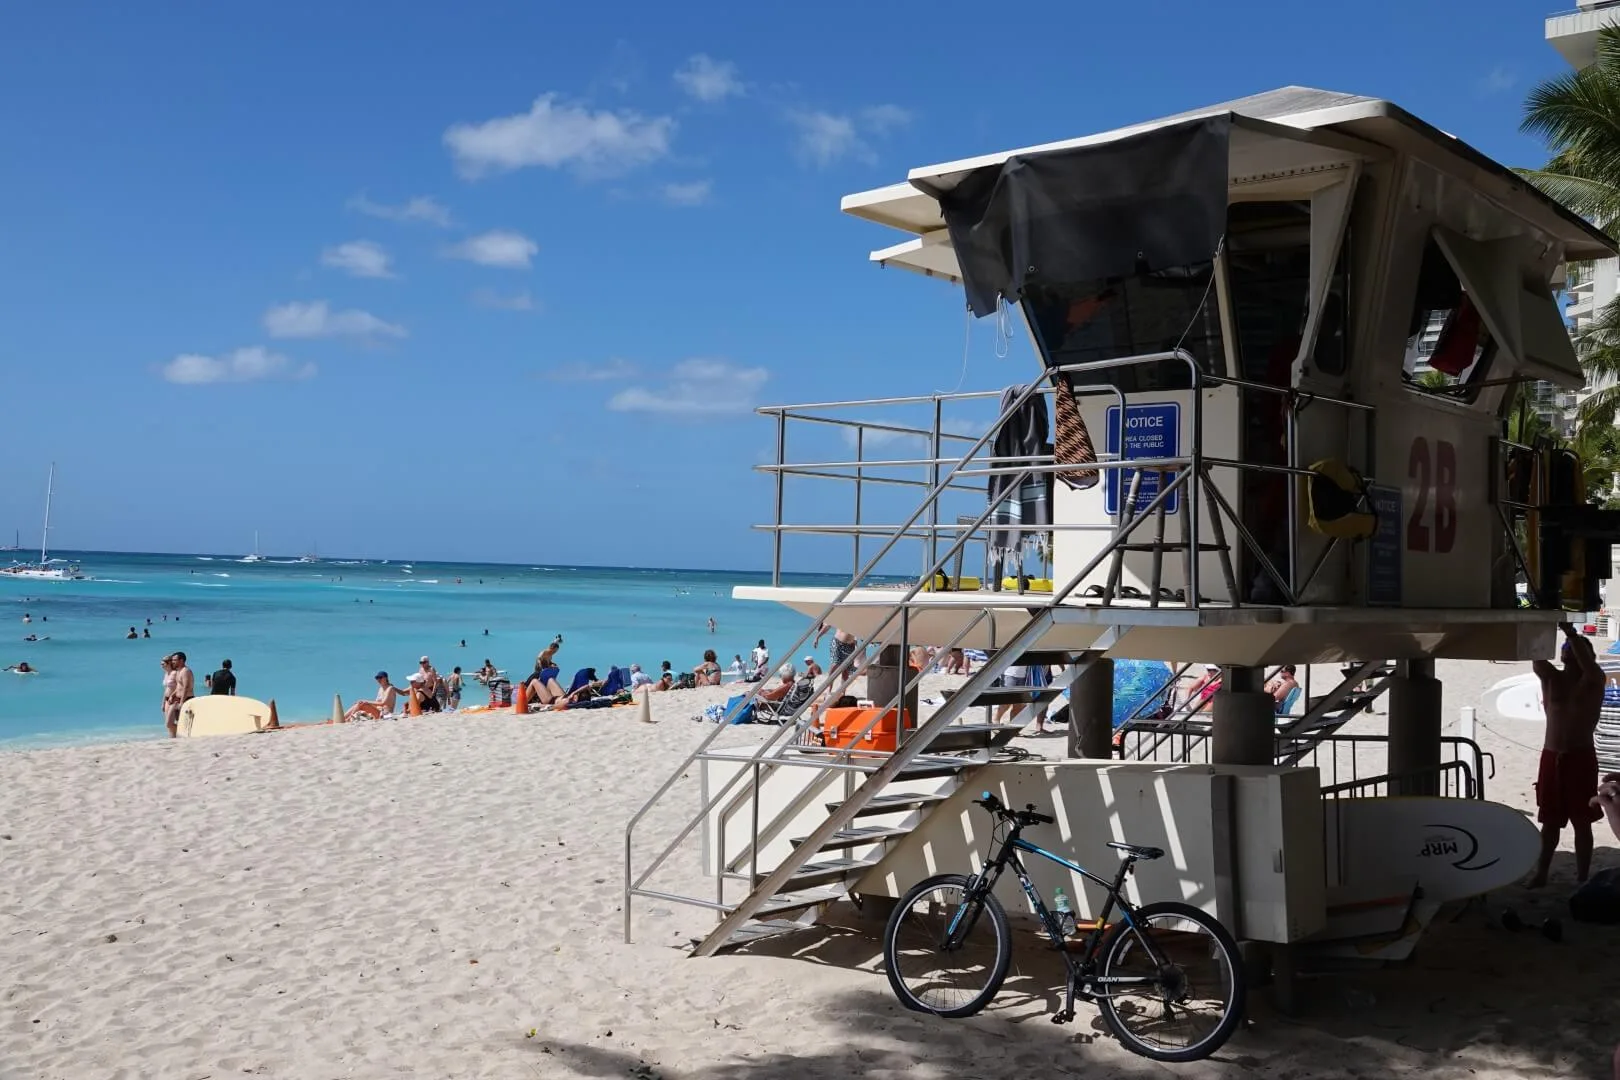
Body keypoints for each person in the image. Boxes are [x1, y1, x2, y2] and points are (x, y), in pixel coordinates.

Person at [1530, 623, 1605, 888]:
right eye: (1565, 647)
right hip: (1551, 757)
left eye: (1575, 648)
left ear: (1588, 655)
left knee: (1581, 821)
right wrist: (1540, 625)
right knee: (1549, 820)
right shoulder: (1551, 677)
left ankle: (1583, 876)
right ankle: (1541, 873)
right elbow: (1536, 655)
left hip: (1580, 758)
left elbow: (1589, 666)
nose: (1568, 649)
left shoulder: (1593, 680)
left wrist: (1573, 634)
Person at [344, 671, 408, 721]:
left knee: (362, 703)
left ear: (385, 678)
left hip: (384, 714)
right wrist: (364, 702)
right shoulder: (380, 688)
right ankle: (343, 717)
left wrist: (366, 701)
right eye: (377, 678)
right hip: (377, 712)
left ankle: (348, 719)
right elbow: (376, 703)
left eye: (380, 678)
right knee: (359, 704)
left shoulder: (390, 688)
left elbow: (383, 703)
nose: (378, 680)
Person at [166, 652, 194, 738]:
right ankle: (177, 736)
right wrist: (172, 695)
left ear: (181, 660)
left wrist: (182, 702)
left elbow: (186, 687)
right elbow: (179, 686)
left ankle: (181, 735)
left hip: (186, 698)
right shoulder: (179, 671)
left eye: (175, 660)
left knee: (171, 723)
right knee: (169, 723)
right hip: (177, 698)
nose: (172, 662)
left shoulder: (186, 671)